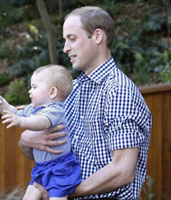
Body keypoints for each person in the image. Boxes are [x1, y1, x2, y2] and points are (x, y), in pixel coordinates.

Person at [18, 6, 152, 200]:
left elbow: (122, 170)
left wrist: (61, 191)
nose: (65, 48)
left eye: (72, 39)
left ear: (97, 36)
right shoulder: (71, 90)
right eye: (65, 40)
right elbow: (44, 149)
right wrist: (26, 141)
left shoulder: (118, 91)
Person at [0, 64, 82, 200]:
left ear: (52, 92)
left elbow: (42, 122)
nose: (30, 91)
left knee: (57, 197)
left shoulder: (56, 109)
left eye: (34, 87)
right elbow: (13, 112)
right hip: (41, 167)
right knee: (30, 195)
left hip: (60, 168)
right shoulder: (33, 108)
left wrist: (20, 122)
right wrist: (0, 103)